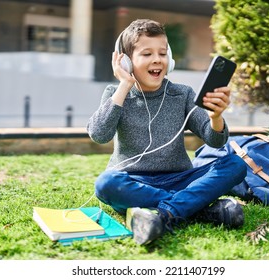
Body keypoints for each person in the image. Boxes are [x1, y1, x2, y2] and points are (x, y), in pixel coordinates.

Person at [87, 19, 247, 245]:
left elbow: (216, 140)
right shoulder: (116, 94)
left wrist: (216, 117)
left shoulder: (181, 94)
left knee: (235, 165)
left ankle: (166, 214)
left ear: (169, 60)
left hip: (181, 179)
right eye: (146, 54)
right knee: (106, 183)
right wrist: (125, 85)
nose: (156, 60)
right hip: (134, 182)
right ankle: (199, 210)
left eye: (162, 53)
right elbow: (99, 134)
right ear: (126, 62)